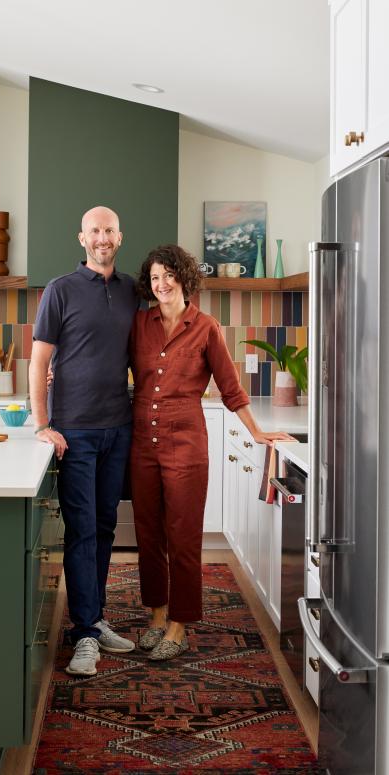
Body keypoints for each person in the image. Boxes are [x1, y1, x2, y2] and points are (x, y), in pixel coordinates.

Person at [129, 244, 294, 660]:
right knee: (148, 535)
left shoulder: (206, 328)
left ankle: (179, 625)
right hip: (141, 443)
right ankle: (156, 614)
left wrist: (257, 432)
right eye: (154, 278)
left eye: (168, 275)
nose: (161, 284)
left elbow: (230, 388)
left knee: (182, 537)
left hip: (186, 443)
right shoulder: (139, 324)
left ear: (184, 278)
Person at [29, 206, 139, 676]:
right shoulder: (60, 290)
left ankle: (93, 619)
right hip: (74, 431)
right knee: (82, 531)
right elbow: (38, 362)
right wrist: (41, 422)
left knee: (107, 526)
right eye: (94, 230)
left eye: (109, 230)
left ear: (120, 236)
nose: (102, 237)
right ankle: (85, 634)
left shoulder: (134, 290)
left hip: (119, 427)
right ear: (82, 238)